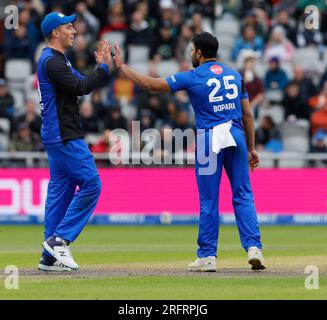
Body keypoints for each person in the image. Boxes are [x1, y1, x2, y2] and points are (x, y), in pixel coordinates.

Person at [112, 32, 265, 271]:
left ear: (199, 53)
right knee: (243, 194)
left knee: (209, 199)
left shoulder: (193, 77)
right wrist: (252, 147)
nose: (190, 53)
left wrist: (122, 67)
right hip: (236, 136)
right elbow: (247, 114)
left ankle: (207, 256)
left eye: (192, 49)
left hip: (209, 139)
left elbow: (151, 84)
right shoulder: (235, 75)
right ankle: (254, 248)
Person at [37, 12, 111, 272]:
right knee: (92, 184)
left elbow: (83, 82)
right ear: (55, 32)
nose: (74, 31)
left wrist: (103, 69)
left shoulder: (56, 59)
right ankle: (59, 240)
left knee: (60, 192)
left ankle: (49, 257)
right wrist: (102, 67)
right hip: (65, 135)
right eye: (68, 27)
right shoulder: (52, 62)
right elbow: (82, 88)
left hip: (56, 135)